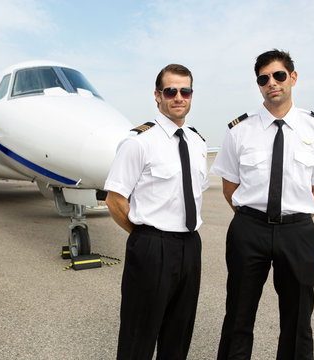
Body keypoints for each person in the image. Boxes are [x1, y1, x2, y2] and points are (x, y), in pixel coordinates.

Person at [211, 49, 314, 359]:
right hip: (249, 230)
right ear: (258, 85)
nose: (271, 82)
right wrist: (254, 218)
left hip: (298, 232)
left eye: (278, 75)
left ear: (293, 78)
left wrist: (294, 217)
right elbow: (230, 187)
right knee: (238, 315)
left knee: (299, 319)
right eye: (263, 78)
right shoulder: (239, 130)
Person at [105, 64, 209, 359]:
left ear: (191, 95)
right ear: (157, 95)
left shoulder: (198, 142)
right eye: (171, 91)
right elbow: (115, 200)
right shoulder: (139, 141)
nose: (178, 97)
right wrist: (143, 237)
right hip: (152, 245)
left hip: (190, 246)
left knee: (179, 333)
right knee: (139, 335)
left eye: (185, 91)